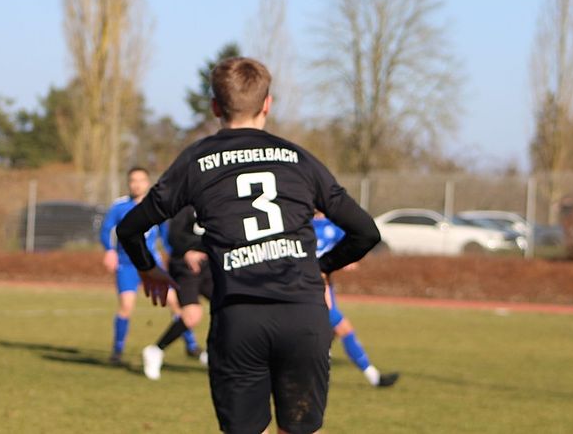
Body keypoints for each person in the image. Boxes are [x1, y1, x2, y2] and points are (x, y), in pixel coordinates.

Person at [116, 57, 381, 434]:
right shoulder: (299, 159)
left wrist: (148, 269)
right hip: (303, 316)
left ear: (215, 107)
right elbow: (366, 232)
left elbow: (129, 228)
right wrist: (322, 267)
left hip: (239, 318)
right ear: (268, 104)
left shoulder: (197, 160)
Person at [100, 167, 200, 364]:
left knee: (175, 303)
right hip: (127, 265)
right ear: (128, 183)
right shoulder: (120, 206)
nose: (137, 184)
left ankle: (191, 345)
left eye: (141, 180)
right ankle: (117, 352)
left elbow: (167, 236)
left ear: (148, 183)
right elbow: (105, 231)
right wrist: (109, 250)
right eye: (133, 180)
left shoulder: (155, 206)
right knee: (126, 306)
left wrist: (176, 256)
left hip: (153, 265)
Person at [313, 212, 399, 388]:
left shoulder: (332, 225)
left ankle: (320, 371)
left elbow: (349, 245)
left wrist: (345, 260)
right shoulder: (301, 221)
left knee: (331, 332)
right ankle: (373, 377)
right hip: (310, 285)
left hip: (325, 284)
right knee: (341, 329)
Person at [142, 206, 214, 380]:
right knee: (192, 315)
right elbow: (174, 237)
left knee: (231, 306)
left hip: (211, 266)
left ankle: (215, 352)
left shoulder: (218, 201)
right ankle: (155, 350)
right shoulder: (187, 207)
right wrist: (189, 250)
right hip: (186, 267)